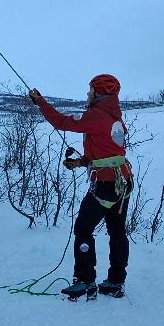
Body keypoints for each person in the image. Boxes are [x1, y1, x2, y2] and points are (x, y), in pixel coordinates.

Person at [29, 75, 133, 299]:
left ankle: (85, 280)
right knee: (117, 232)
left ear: (99, 93)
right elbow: (108, 151)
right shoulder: (115, 118)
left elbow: (62, 123)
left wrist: (41, 102)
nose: (88, 95)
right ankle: (116, 281)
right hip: (122, 183)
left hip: (106, 184)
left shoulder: (96, 115)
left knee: (84, 229)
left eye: (91, 91)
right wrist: (81, 162)